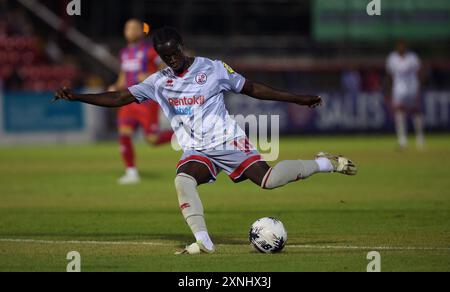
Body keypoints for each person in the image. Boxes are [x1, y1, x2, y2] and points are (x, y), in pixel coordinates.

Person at [54, 27, 357, 255]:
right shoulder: (159, 81)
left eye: (175, 53)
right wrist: (78, 96)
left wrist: (297, 99)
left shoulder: (213, 68)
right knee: (183, 179)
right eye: (166, 56)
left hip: (228, 142)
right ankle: (203, 241)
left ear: (182, 47)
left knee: (269, 180)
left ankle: (325, 163)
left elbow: (250, 88)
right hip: (197, 150)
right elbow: (120, 96)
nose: (173, 59)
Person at [109, 19, 173, 185]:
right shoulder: (123, 52)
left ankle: (182, 133)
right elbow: (124, 76)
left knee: (152, 139)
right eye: (128, 28)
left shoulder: (150, 51)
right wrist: (116, 85)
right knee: (124, 133)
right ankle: (131, 173)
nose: (130, 31)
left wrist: (151, 75)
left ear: (141, 31)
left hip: (146, 101)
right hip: (128, 99)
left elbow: (165, 68)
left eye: (134, 28)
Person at [386, 40, 425, 150]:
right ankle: (402, 139)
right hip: (399, 89)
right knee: (399, 112)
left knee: (416, 111)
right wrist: (389, 91)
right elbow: (389, 75)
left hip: (412, 87)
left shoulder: (412, 57)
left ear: (405, 46)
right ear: (396, 47)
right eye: (399, 45)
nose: (401, 47)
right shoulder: (392, 58)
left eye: (402, 45)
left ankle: (420, 138)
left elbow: (420, 72)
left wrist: (419, 87)